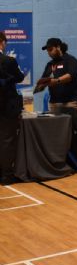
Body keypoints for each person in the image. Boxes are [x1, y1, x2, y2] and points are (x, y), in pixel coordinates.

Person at [0, 31, 25, 185]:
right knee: (7, 140)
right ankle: (6, 175)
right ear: (2, 42)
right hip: (6, 107)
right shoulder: (8, 61)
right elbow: (20, 77)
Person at [36, 38, 77, 112]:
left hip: (70, 103)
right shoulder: (50, 64)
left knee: (72, 120)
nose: (49, 53)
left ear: (58, 47)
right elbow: (43, 80)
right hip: (54, 104)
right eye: (47, 51)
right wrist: (41, 85)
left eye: (51, 49)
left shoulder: (71, 60)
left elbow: (70, 76)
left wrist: (56, 81)